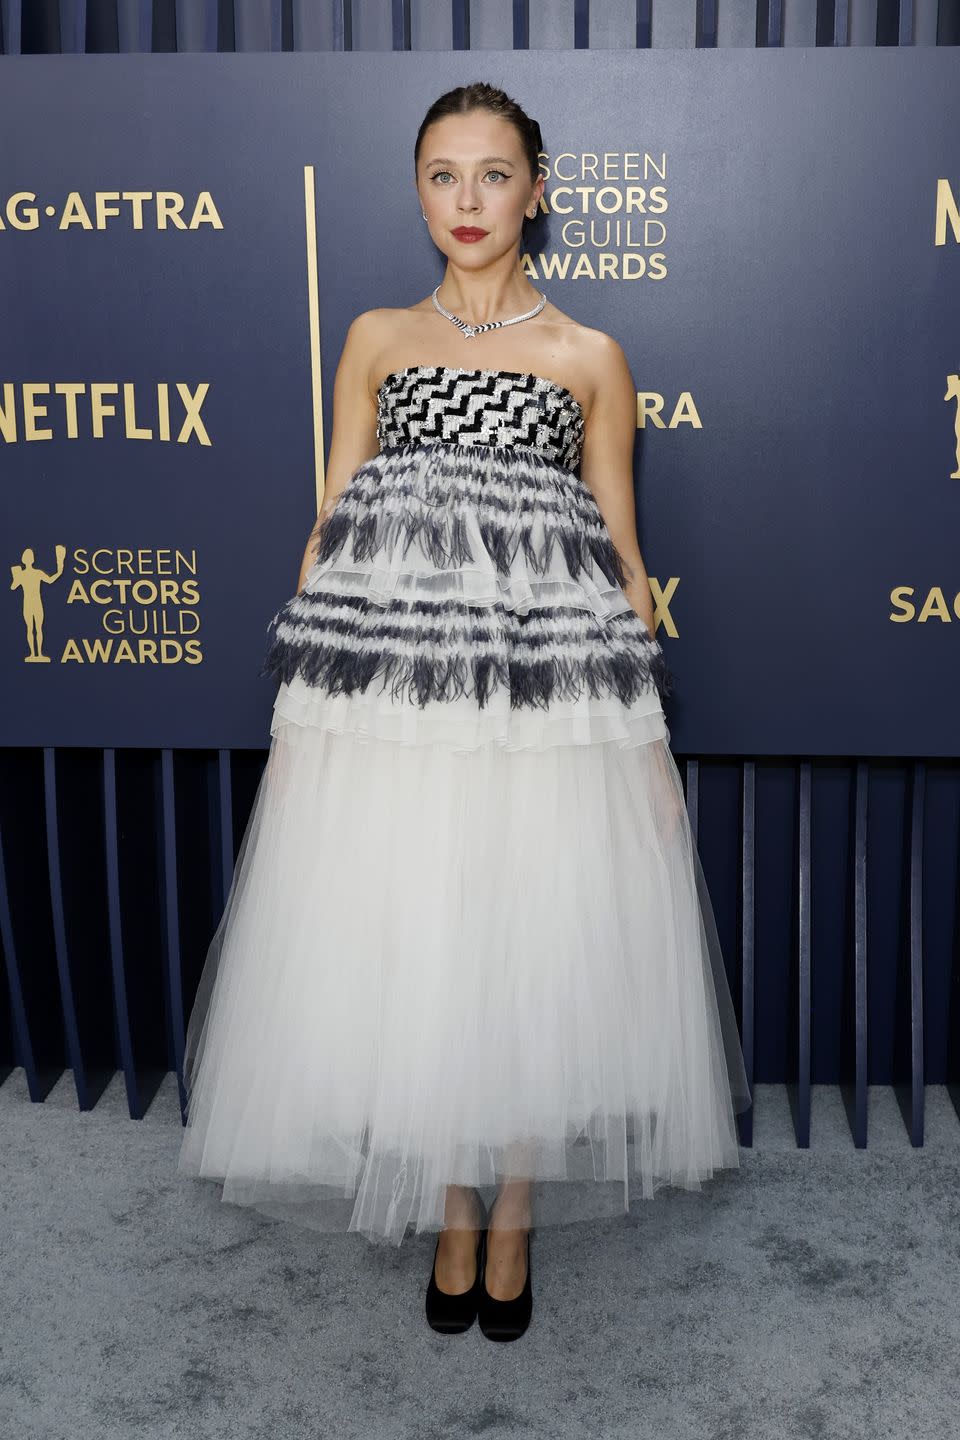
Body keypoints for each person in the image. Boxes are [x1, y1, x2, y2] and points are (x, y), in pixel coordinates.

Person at [177, 80, 752, 1344]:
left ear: (537, 189)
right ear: (420, 191)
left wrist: (641, 736)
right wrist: (307, 713)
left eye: (494, 175)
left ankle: (515, 1211)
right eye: (444, 176)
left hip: (542, 700)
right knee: (415, 938)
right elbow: (328, 527)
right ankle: (449, 1202)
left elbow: (621, 548)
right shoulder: (378, 336)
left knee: (532, 937)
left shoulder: (591, 356)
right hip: (396, 700)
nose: (469, 202)